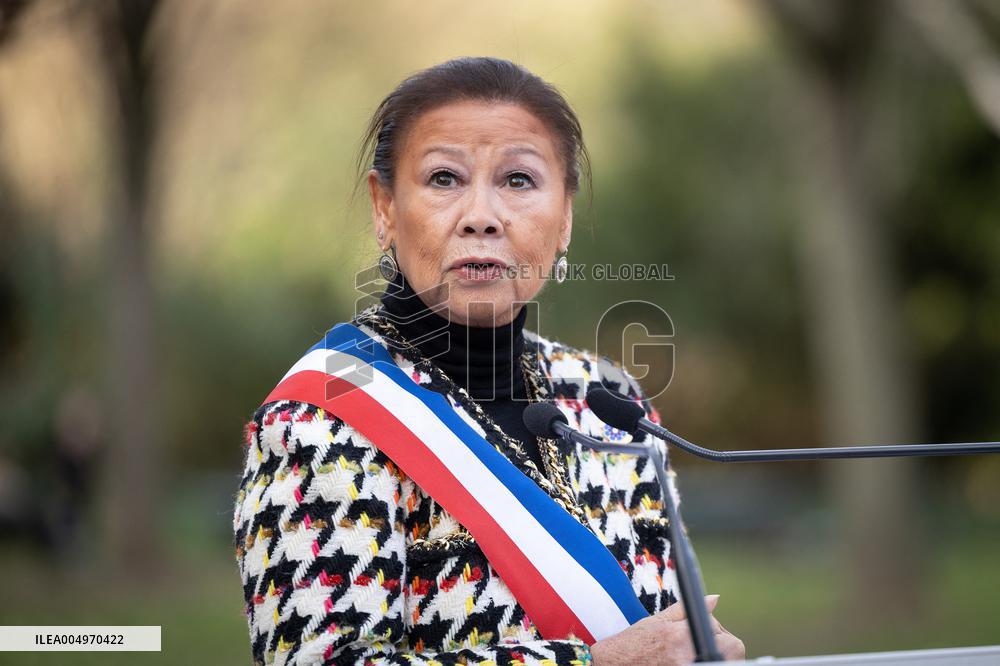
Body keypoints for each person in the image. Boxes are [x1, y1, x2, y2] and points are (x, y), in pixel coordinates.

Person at [232, 56, 745, 666]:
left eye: (519, 181)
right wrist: (594, 664)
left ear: (567, 219)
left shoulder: (610, 402)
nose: (481, 217)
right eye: (444, 178)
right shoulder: (322, 415)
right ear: (385, 208)